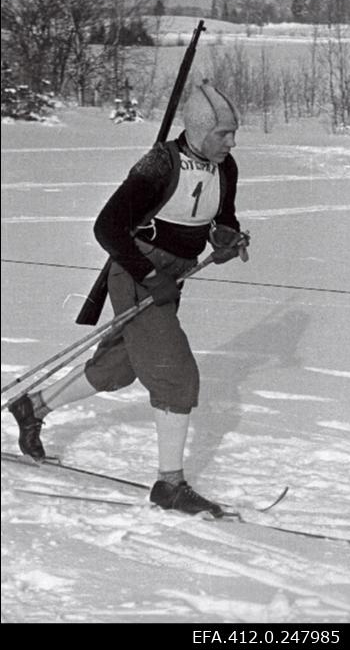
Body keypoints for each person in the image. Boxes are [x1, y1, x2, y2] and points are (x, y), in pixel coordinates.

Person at [8, 79, 250, 518]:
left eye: (233, 133)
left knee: (119, 367)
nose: (231, 142)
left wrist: (226, 237)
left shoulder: (225, 167)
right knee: (176, 375)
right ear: (197, 131)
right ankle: (170, 486)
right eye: (223, 134)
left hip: (171, 275)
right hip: (138, 270)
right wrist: (149, 274)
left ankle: (32, 406)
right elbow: (107, 228)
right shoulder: (159, 165)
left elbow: (221, 215)